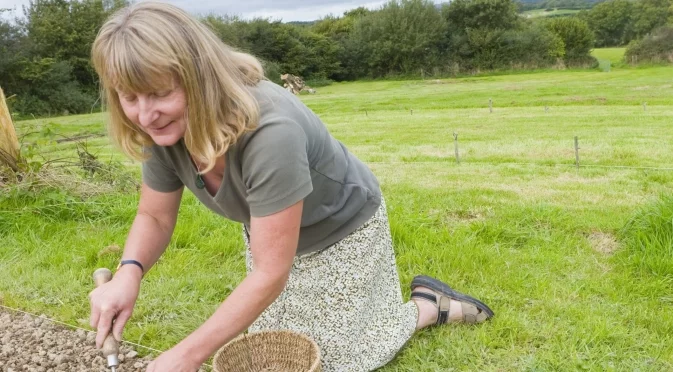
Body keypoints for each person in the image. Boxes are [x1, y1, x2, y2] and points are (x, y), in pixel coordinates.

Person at [87, 2, 494, 371]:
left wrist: (186, 355)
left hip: (343, 227)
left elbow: (268, 274)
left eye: (160, 93)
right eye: (129, 97)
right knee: (279, 350)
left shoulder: (269, 130)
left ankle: (429, 305)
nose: (146, 114)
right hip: (275, 237)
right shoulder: (161, 128)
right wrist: (129, 272)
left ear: (199, 77)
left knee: (341, 358)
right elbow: (154, 216)